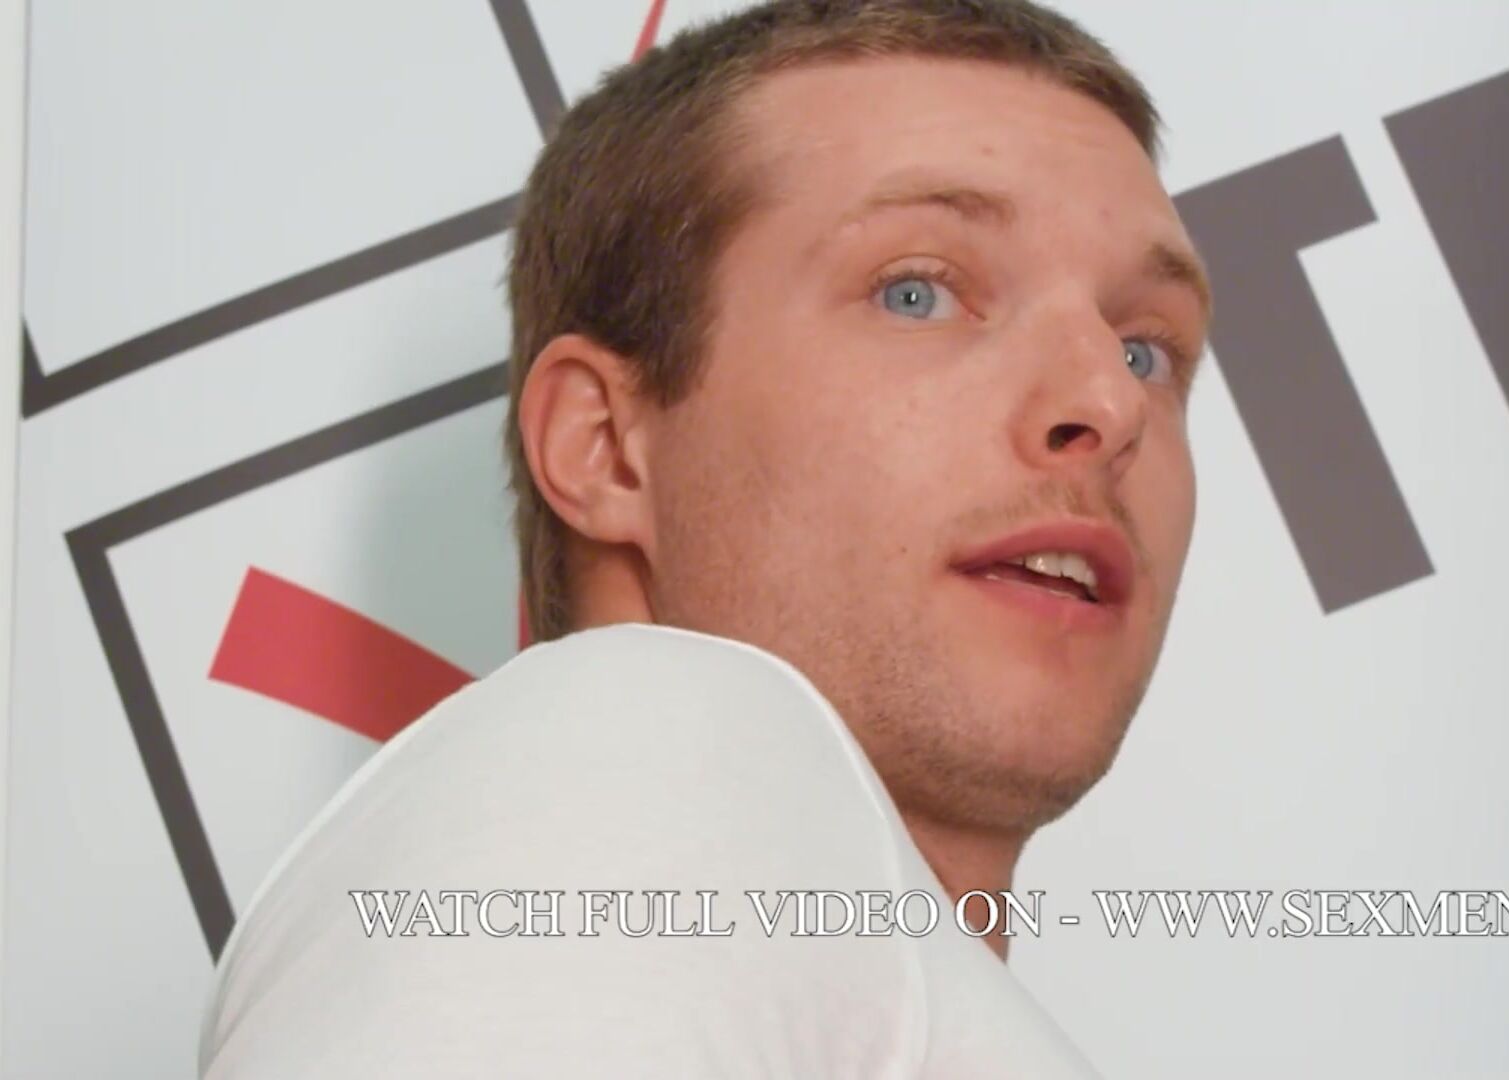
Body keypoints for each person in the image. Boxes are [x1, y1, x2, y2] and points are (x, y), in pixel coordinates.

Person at [199, 0, 1210, 1074]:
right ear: (605, 447)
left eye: (1144, 349)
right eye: (915, 292)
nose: (1110, 402)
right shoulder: (634, 746)